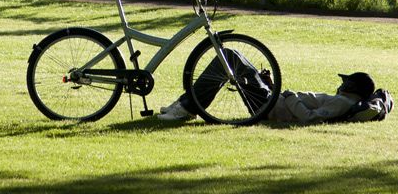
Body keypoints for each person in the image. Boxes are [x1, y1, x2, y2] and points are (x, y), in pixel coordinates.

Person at [159, 66, 376, 125]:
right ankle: (186, 104)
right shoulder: (343, 101)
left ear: (352, 86)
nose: (340, 84)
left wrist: (289, 96)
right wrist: (273, 87)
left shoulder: (342, 102)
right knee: (229, 60)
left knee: (230, 57)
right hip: (271, 100)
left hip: (268, 107)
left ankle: (187, 107)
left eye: (345, 81)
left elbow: (310, 118)